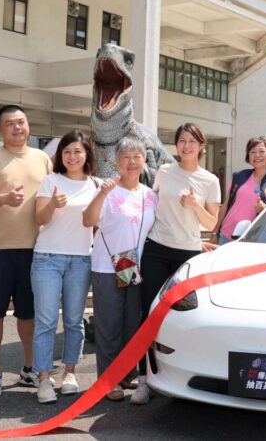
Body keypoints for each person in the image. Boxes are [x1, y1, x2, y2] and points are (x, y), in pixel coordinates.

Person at [0, 105, 53, 398]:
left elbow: (53, 194)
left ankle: (30, 369)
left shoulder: (42, 159)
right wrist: (3, 198)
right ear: (0, 130)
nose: (17, 127)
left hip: (34, 250)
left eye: (22, 122)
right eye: (10, 124)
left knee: (29, 315)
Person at [134, 123, 221, 404]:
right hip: (157, 249)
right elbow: (151, 204)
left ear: (201, 146)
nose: (186, 146)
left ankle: (185, 377)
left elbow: (211, 222)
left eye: (192, 141)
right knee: (148, 313)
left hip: (188, 254)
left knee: (185, 316)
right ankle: (144, 380)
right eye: (181, 141)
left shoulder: (209, 180)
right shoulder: (164, 171)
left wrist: (195, 206)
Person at [83, 136, 157, 402]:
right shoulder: (107, 189)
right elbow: (88, 220)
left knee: (131, 325)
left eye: (137, 157)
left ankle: (125, 374)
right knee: (108, 326)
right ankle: (108, 380)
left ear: (144, 161)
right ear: (116, 162)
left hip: (135, 269)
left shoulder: (150, 195)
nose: (132, 162)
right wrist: (102, 193)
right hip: (107, 267)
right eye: (126, 157)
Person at [31, 131, 99, 404]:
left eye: (77, 151)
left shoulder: (96, 184)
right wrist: (53, 204)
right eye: (67, 151)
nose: (72, 156)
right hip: (47, 258)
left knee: (74, 321)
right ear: (60, 156)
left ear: (87, 155)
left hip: (81, 259)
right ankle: (44, 379)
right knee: (46, 322)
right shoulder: (51, 181)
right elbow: (39, 217)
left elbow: (96, 222)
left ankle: (69, 373)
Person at [214, 136, 266, 244]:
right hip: (225, 236)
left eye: (261, 151)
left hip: (252, 241)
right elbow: (225, 206)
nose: (257, 155)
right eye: (252, 152)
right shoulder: (238, 176)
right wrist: (215, 232)